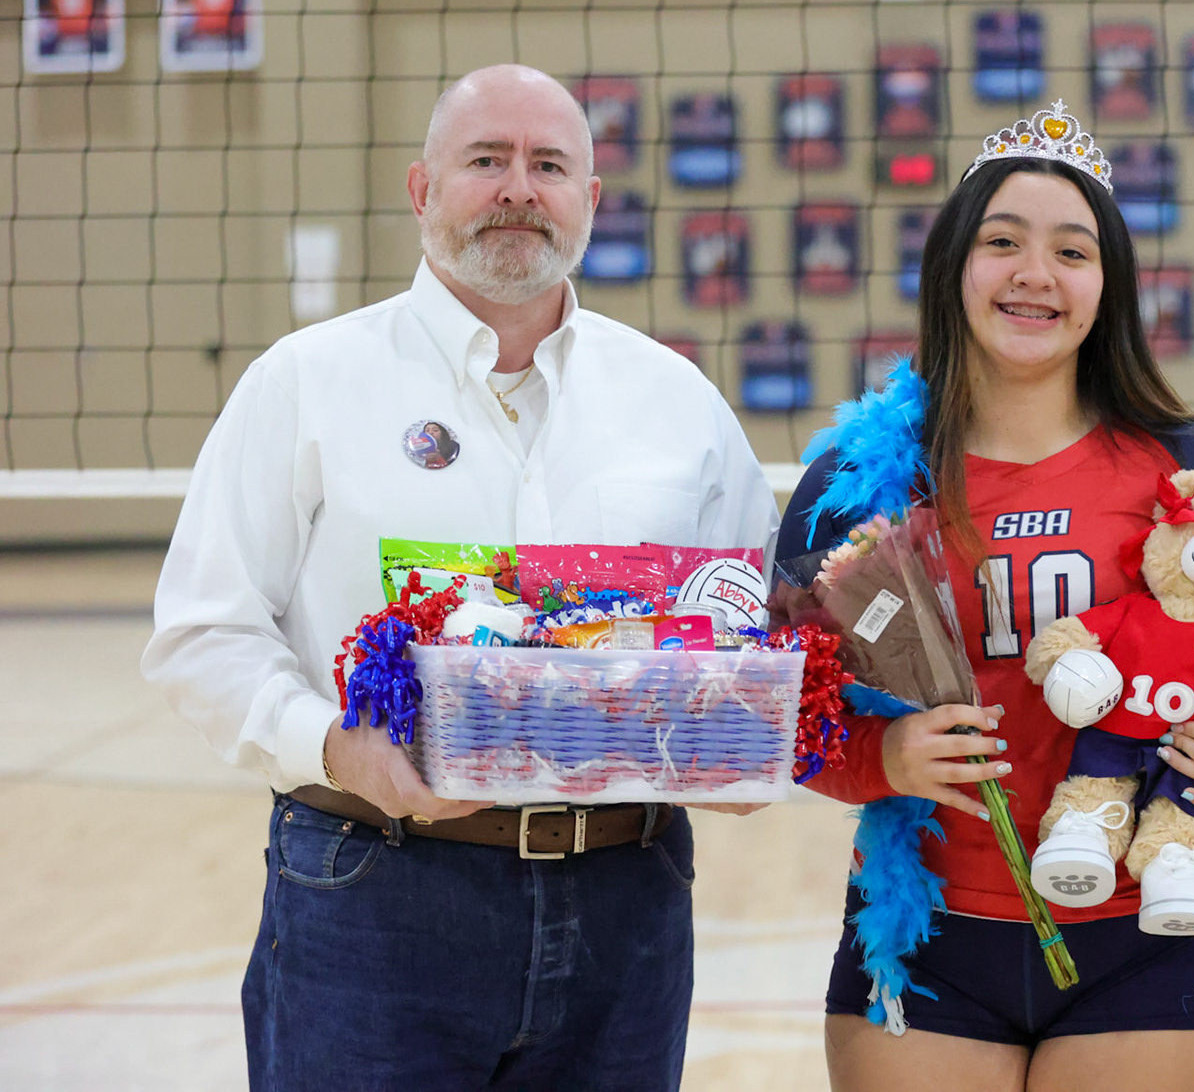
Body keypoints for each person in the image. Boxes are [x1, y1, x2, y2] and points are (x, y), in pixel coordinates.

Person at [142, 63, 777, 1089]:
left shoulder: (678, 400)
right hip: (372, 887)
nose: (518, 188)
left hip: (630, 894)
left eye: (549, 164)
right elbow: (200, 631)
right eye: (486, 159)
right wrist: (336, 744)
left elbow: (755, 624)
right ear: (422, 188)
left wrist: (745, 741)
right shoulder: (306, 381)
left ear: (590, 200)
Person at [776, 103, 1194, 1092]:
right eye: (1002, 242)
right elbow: (786, 713)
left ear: (1108, 286)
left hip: (1153, 927)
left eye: (1072, 250)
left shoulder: (1191, 467)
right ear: (952, 268)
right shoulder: (856, 483)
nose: (1034, 274)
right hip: (929, 935)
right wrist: (877, 755)